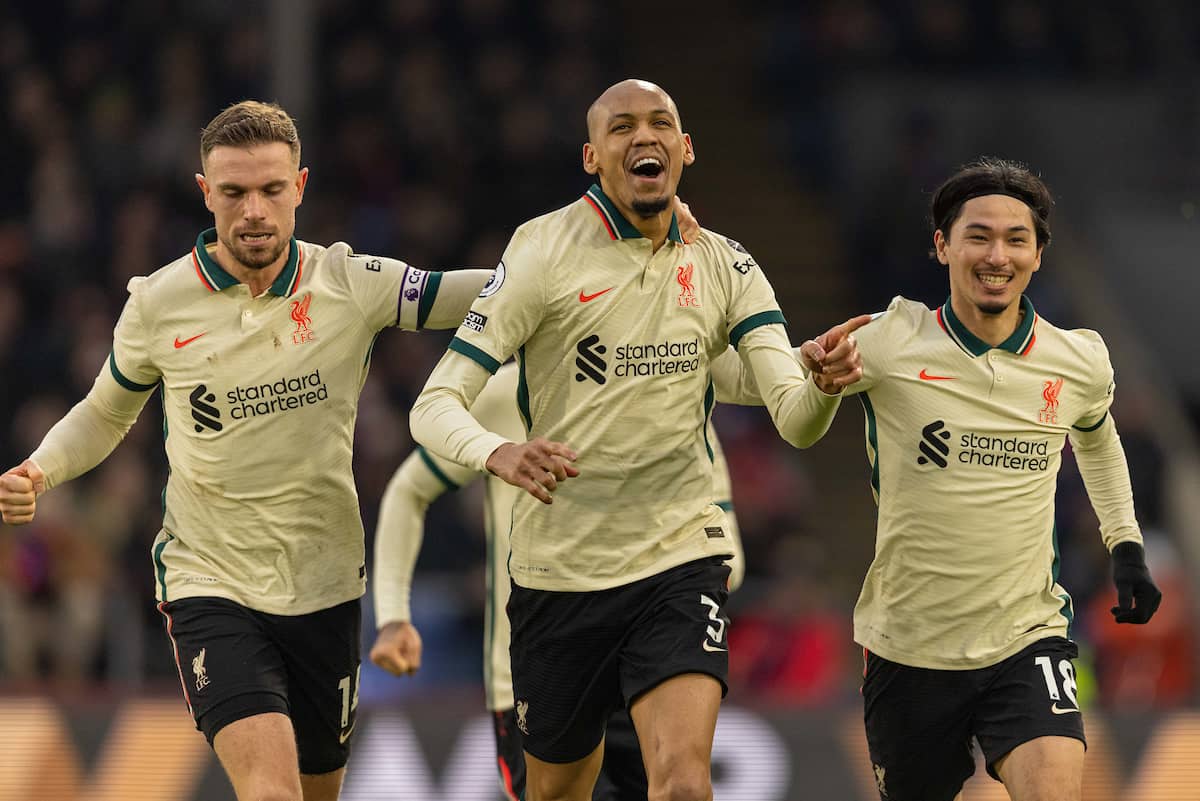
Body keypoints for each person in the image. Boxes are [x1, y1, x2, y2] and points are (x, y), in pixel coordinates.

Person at [0, 101, 497, 801]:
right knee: (271, 792)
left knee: (315, 791)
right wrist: (41, 467)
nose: (253, 211)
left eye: (270, 190)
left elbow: (477, 296)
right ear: (206, 192)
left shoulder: (349, 283)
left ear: (300, 185)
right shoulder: (158, 302)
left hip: (324, 581)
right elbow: (104, 411)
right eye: (233, 192)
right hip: (212, 580)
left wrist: (585, 265)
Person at [409, 78, 866, 801]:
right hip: (559, 571)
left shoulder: (727, 263)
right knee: (557, 791)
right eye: (622, 127)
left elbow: (794, 418)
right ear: (593, 157)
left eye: (660, 124)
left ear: (685, 149)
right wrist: (499, 451)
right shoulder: (541, 251)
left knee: (683, 783)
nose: (643, 136)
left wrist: (824, 387)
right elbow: (434, 405)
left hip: (678, 555)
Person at [795, 157, 1161, 801]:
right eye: (978, 236)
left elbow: (1097, 438)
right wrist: (806, 372)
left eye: (1017, 239)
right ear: (943, 246)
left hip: (1026, 636)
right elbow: (777, 400)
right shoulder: (888, 342)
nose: (998, 255)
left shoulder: (1078, 359)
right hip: (909, 645)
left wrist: (1124, 544)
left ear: (1039, 254)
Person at [370, 361, 745, 801]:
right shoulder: (505, 393)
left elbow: (727, 556)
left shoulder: (676, 394)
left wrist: (647, 563)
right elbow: (409, 490)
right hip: (537, 670)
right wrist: (393, 614)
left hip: (644, 668)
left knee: (682, 787)